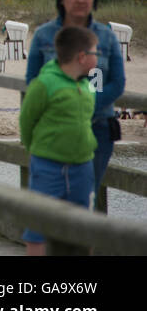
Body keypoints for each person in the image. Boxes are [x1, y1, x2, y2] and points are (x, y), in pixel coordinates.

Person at [25, 0, 125, 194]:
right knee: (47, 201)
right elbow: (33, 79)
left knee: (84, 199)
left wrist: (85, 105)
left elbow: (117, 83)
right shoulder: (44, 35)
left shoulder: (107, 37)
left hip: (98, 128)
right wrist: (61, 107)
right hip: (54, 128)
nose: (80, 0)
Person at [20, 25, 100, 255]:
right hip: (47, 165)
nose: (98, 57)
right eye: (96, 52)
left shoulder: (87, 85)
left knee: (84, 227)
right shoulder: (45, 84)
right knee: (38, 226)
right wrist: (37, 150)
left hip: (83, 166)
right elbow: (27, 122)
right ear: (82, 57)